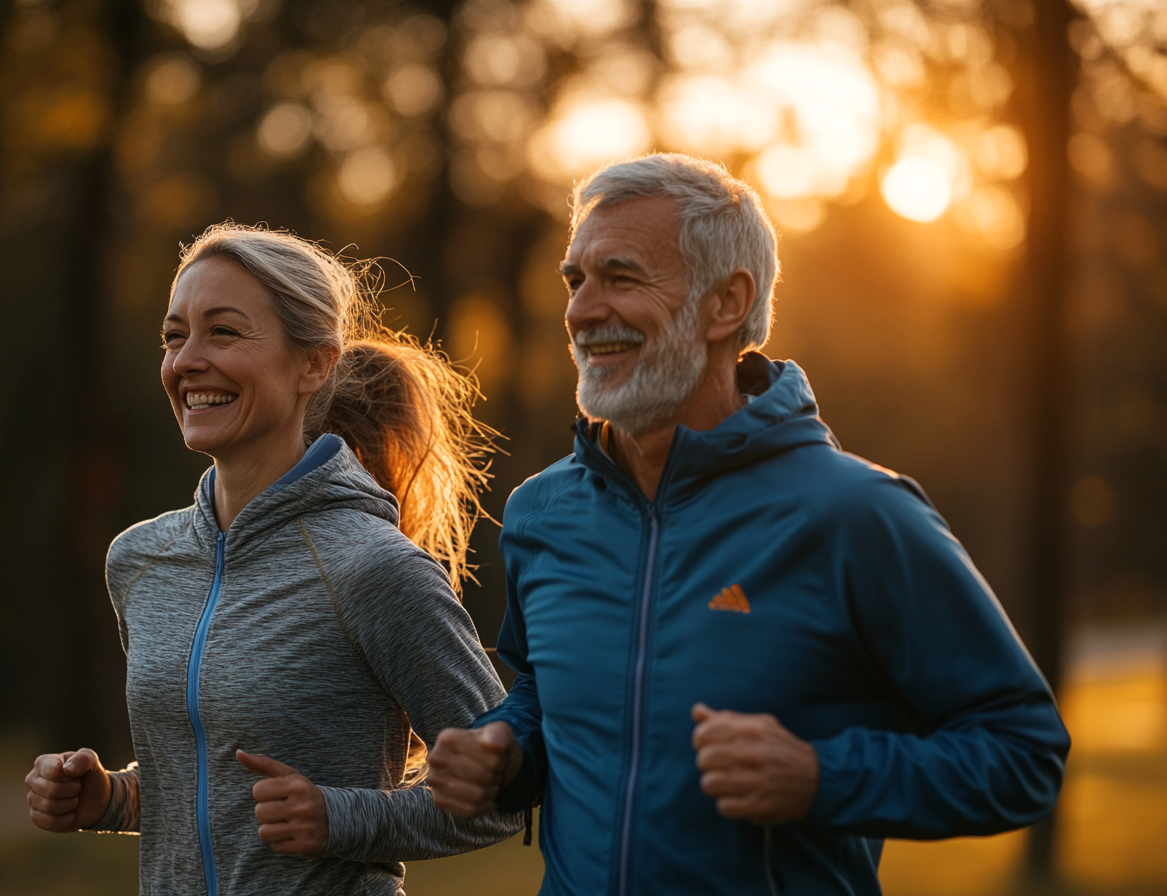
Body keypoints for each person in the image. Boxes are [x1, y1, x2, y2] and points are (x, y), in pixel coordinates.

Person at [425, 153, 1071, 895]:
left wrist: (822, 777)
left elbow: (1023, 751)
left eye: (622, 276)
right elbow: (547, 686)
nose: (579, 310)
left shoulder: (855, 513)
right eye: (576, 280)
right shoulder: (542, 512)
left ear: (725, 303)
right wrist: (509, 754)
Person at [24, 224, 521, 895]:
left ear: (315, 364)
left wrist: (341, 817)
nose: (187, 360)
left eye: (223, 332)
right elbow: (208, 779)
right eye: (175, 336)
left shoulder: (375, 569)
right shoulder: (141, 561)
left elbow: (504, 792)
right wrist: (111, 798)